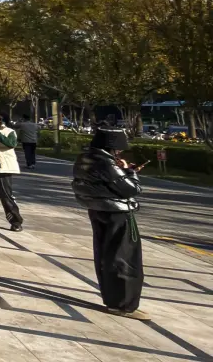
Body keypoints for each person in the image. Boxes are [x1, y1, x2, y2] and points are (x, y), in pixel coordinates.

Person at [72, 127, 148, 319]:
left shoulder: (85, 158)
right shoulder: (106, 163)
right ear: (112, 146)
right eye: (119, 148)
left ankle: (112, 299)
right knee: (125, 257)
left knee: (105, 254)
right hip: (118, 213)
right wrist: (129, 172)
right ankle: (124, 304)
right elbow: (131, 189)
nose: (120, 151)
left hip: (98, 209)